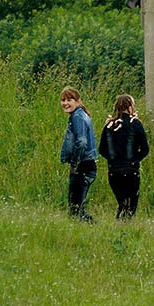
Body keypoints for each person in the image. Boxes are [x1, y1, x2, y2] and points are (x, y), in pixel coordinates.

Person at [98, 94, 151, 220]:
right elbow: (145, 149)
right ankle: (125, 230)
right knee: (131, 205)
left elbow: (101, 149)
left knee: (122, 204)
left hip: (113, 171)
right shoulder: (136, 124)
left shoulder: (109, 126)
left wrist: (113, 159)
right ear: (130, 107)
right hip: (131, 170)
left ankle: (119, 227)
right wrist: (135, 159)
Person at [60, 87, 99, 222]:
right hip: (88, 164)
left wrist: (75, 164)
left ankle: (92, 230)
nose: (65, 103)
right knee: (78, 207)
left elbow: (81, 142)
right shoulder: (81, 114)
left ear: (77, 101)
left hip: (83, 165)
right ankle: (93, 229)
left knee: (74, 210)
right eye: (63, 100)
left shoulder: (77, 116)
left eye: (69, 100)